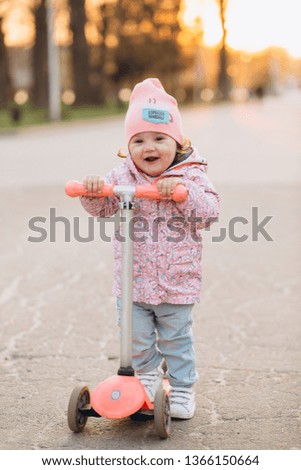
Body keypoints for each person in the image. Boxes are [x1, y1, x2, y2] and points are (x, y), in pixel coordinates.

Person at [80, 78, 220, 419]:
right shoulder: (124, 176)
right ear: (129, 147)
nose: (149, 147)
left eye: (159, 138)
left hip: (176, 284)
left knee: (176, 343)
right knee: (136, 341)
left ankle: (183, 388)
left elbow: (209, 214)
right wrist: (94, 191)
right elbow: (102, 209)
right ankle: (143, 382)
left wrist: (183, 193)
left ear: (177, 141)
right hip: (133, 285)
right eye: (139, 140)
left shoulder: (191, 175)